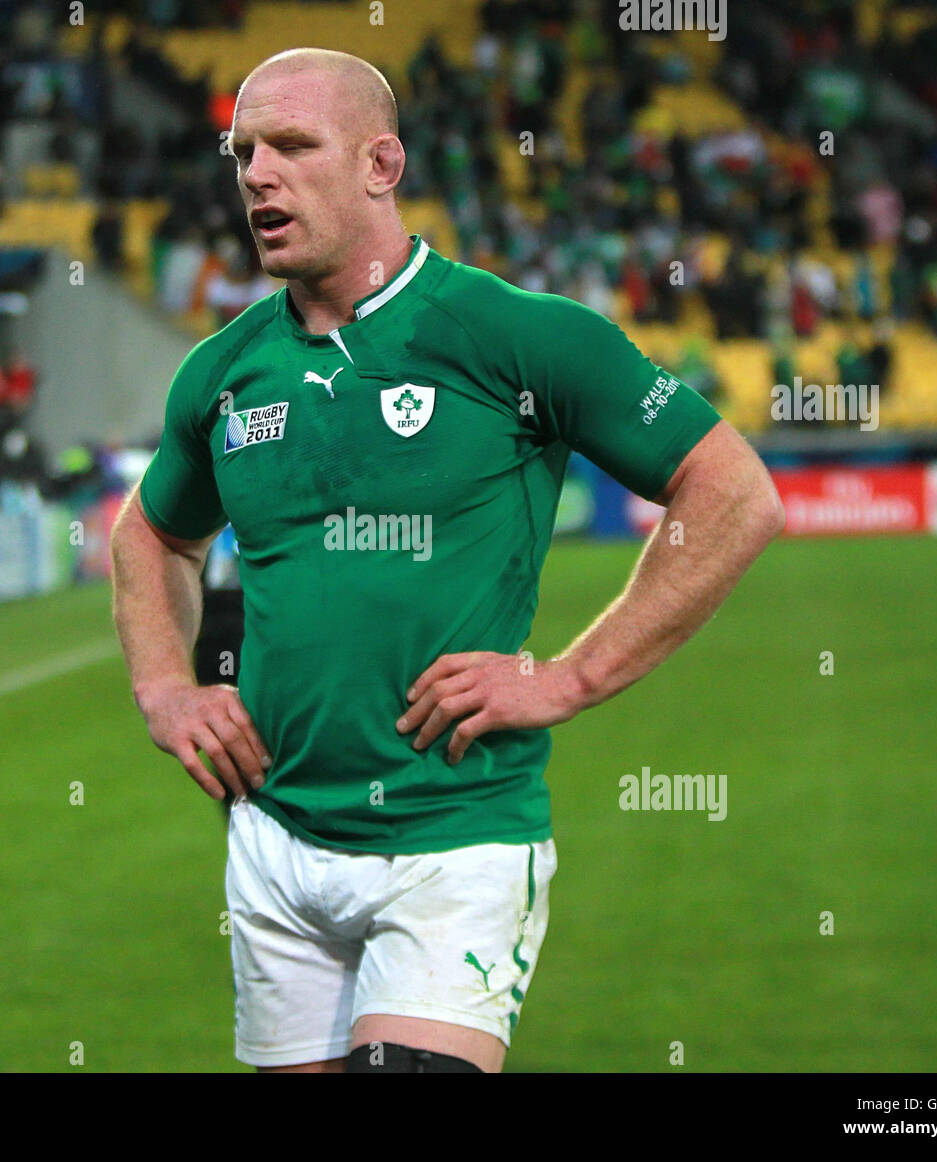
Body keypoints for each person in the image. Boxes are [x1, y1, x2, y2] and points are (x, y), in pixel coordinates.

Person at [110, 48, 784, 1075]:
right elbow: (153, 533)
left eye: (291, 144)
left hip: (453, 836)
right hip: (276, 843)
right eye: (243, 151)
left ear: (381, 164)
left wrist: (572, 674)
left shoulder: (517, 337)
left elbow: (732, 491)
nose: (255, 174)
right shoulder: (222, 373)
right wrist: (165, 685)